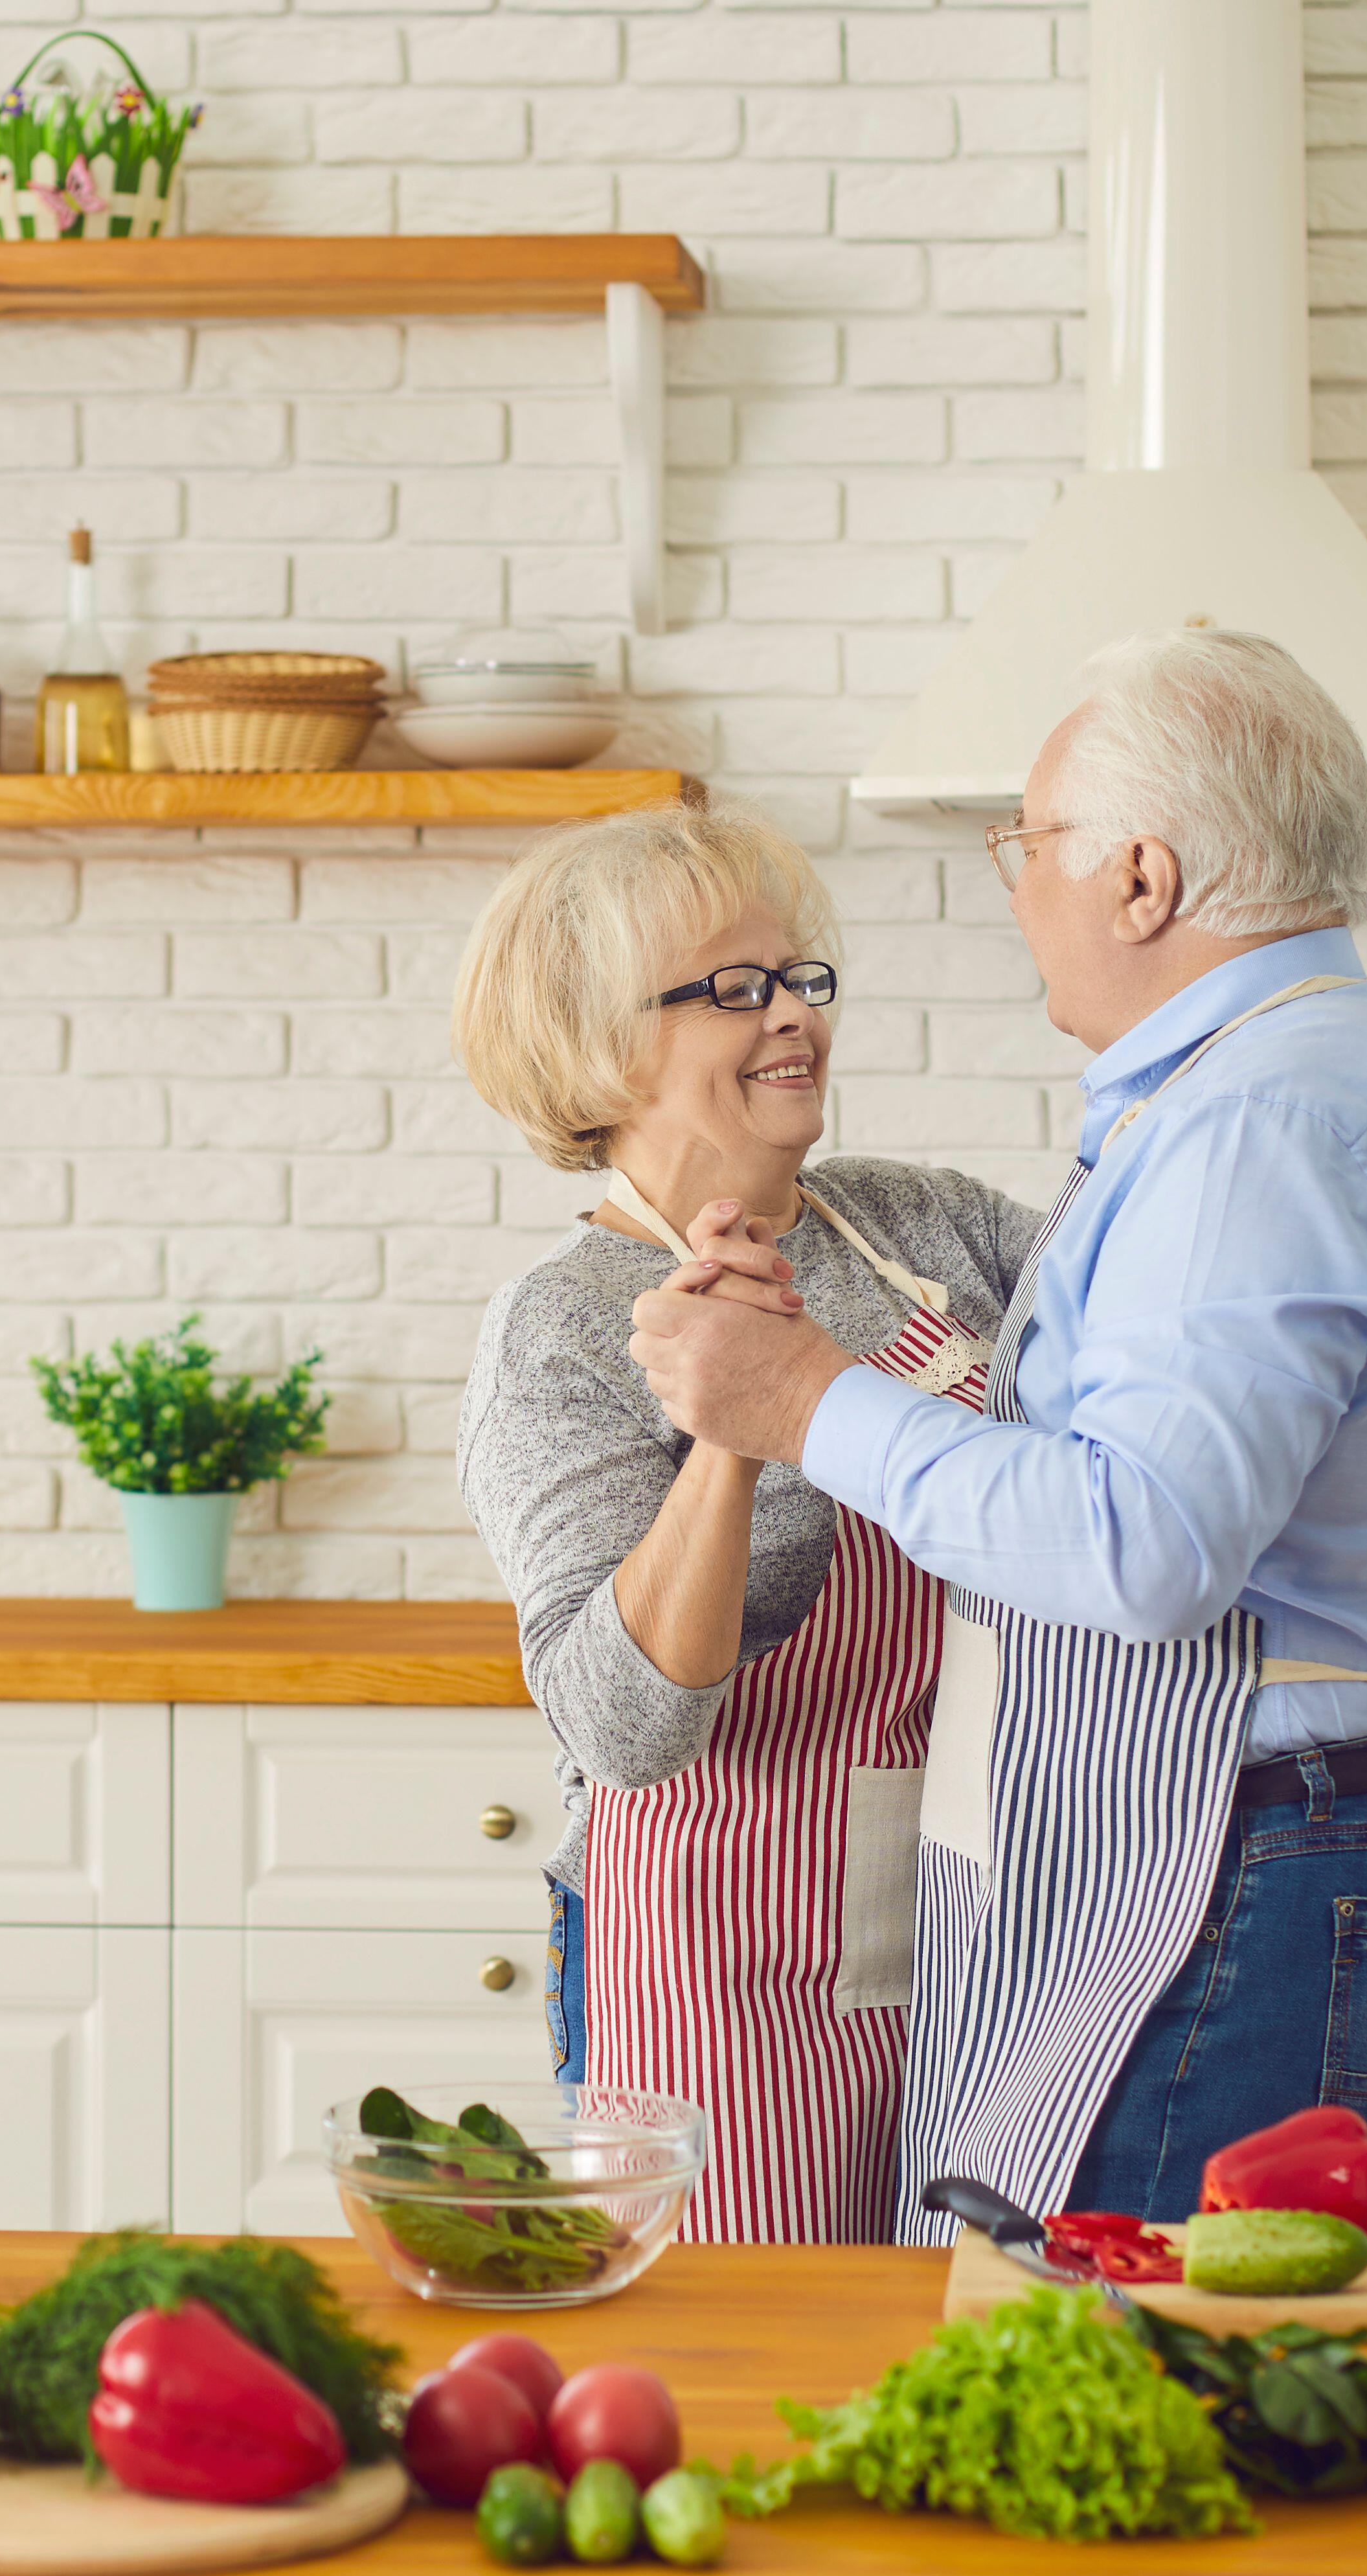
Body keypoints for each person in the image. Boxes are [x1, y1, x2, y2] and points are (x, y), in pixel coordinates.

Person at [623, 628, 1367, 2237]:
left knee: (1136, 2385)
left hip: (1254, 1868)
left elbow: (1143, 1543)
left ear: (1140, 876)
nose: (1014, 885)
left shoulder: (1257, 1121)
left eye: (1027, 846)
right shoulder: (1321, 1078)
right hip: (1301, 1843)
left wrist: (799, 1400)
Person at [448, 805, 1041, 2245]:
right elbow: (618, 1727)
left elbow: (1166, 1314)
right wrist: (729, 1428)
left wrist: (1348, 1170)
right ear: (598, 1042)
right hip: (719, 1956)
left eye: (798, 977)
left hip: (989, 1913)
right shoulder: (567, 1331)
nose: (791, 1014)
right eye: (731, 988)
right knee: (754, 2370)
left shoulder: (923, 1224)